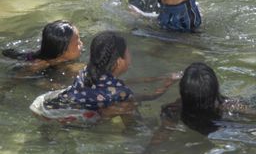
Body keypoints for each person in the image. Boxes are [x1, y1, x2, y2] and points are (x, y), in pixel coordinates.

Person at [30, 31, 180, 124]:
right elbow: (143, 97)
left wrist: (153, 79)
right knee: (126, 113)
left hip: (43, 104)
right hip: (63, 117)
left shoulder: (88, 71)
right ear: (120, 61)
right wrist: (164, 88)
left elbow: (116, 86)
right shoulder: (121, 92)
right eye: (128, 53)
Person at [143, 62, 256, 154]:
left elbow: (162, 134)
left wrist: (148, 151)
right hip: (224, 130)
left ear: (182, 90)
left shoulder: (172, 110)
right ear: (216, 87)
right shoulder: (231, 106)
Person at [2, 20, 83, 73]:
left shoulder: (60, 59)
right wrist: (28, 71)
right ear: (62, 52)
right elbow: (14, 81)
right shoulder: (39, 65)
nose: (82, 44)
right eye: (77, 44)